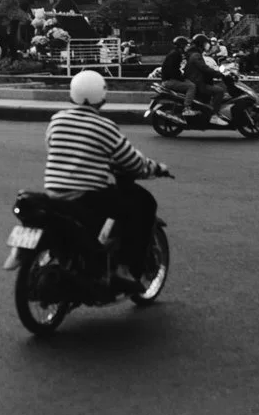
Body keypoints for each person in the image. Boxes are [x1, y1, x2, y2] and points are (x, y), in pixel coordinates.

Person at [42, 71, 171, 290]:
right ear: (102, 97)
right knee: (143, 204)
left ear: (72, 94)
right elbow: (132, 162)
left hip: (54, 191)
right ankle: (126, 269)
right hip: (87, 195)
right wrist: (157, 168)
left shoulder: (57, 120)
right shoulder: (104, 127)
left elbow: (51, 147)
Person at [184, 35, 229, 124]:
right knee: (219, 91)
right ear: (201, 44)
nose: (208, 45)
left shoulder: (195, 54)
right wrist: (218, 74)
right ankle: (214, 116)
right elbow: (204, 68)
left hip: (197, 81)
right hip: (198, 83)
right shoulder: (196, 55)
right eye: (206, 43)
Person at [158, 35, 195, 109]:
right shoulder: (175, 55)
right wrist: (182, 78)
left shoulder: (175, 53)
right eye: (186, 45)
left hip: (169, 79)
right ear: (181, 45)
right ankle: (187, 108)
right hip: (169, 81)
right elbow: (173, 71)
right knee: (191, 86)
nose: (187, 47)